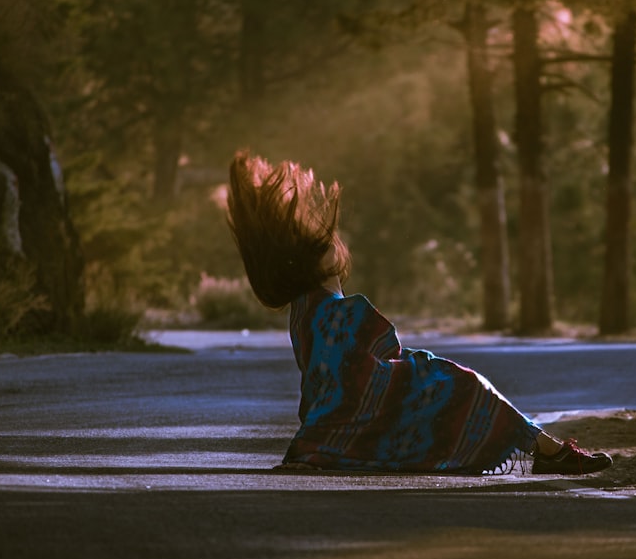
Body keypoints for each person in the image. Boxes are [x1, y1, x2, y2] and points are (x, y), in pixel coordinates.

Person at [225, 151, 612, 475]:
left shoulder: (311, 308)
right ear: (308, 264)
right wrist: (407, 370)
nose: (334, 245)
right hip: (363, 407)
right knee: (470, 385)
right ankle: (547, 451)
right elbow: (359, 369)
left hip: (360, 401)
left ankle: (546, 449)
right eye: (323, 247)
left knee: (460, 380)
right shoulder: (330, 311)